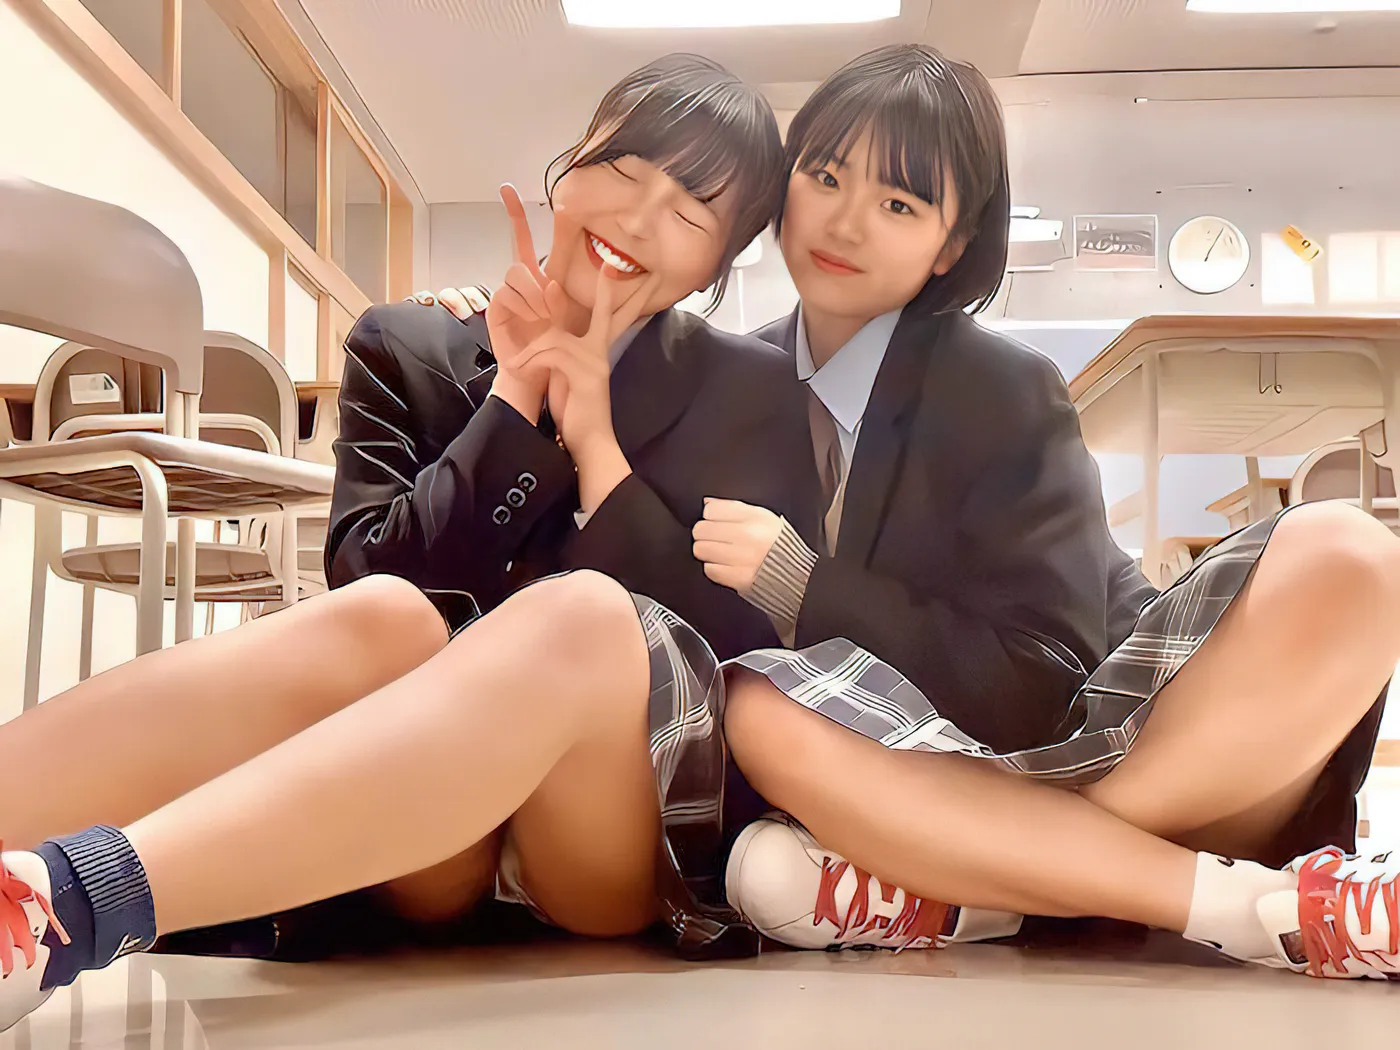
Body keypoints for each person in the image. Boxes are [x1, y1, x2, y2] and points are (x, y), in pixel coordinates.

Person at [0, 53, 823, 1029]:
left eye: (690, 213)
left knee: (584, 619)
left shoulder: (752, 389)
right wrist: (515, 398)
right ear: (571, 165)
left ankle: (82, 899)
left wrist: (595, 446)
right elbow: (361, 573)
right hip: (418, 847)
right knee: (386, 614)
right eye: (622, 168)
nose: (638, 220)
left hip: (602, 841)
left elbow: (744, 652)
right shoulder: (407, 341)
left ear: (718, 266)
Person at [691, 44, 1396, 981]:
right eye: (824, 177)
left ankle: (964, 883)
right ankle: (1206, 900)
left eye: (898, 205)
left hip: (1113, 741)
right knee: (756, 703)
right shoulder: (722, 384)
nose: (845, 222)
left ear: (950, 247)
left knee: (1352, 552)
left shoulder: (1002, 389)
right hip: (888, 774)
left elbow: (1039, 690)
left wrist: (804, 585)